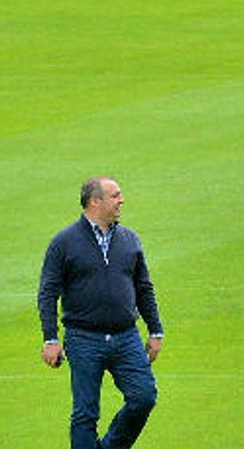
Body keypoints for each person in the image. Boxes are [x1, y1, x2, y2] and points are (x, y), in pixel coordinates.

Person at [38, 176, 165, 449]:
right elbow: (48, 292)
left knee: (143, 396)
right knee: (85, 414)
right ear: (95, 201)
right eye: (116, 195)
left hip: (126, 336)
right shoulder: (64, 242)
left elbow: (144, 288)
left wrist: (155, 330)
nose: (122, 200)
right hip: (83, 339)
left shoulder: (129, 239)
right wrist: (51, 338)